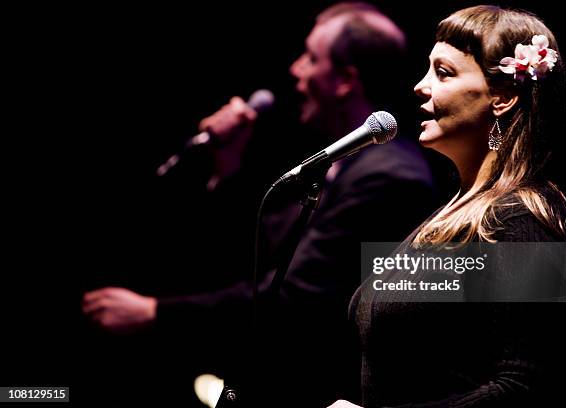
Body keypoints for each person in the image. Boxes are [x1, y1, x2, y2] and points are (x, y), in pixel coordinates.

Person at [82, 2, 437, 407]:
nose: (295, 70)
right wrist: (228, 165)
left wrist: (155, 313)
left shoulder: (389, 177)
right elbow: (257, 253)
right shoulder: (336, 163)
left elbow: (292, 296)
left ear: (344, 80)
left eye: (311, 57)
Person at [329, 5, 566, 408]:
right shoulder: (454, 213)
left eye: (443, 72)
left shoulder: (532, 217)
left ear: (502, 97)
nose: (420, 85)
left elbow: (531, 386)